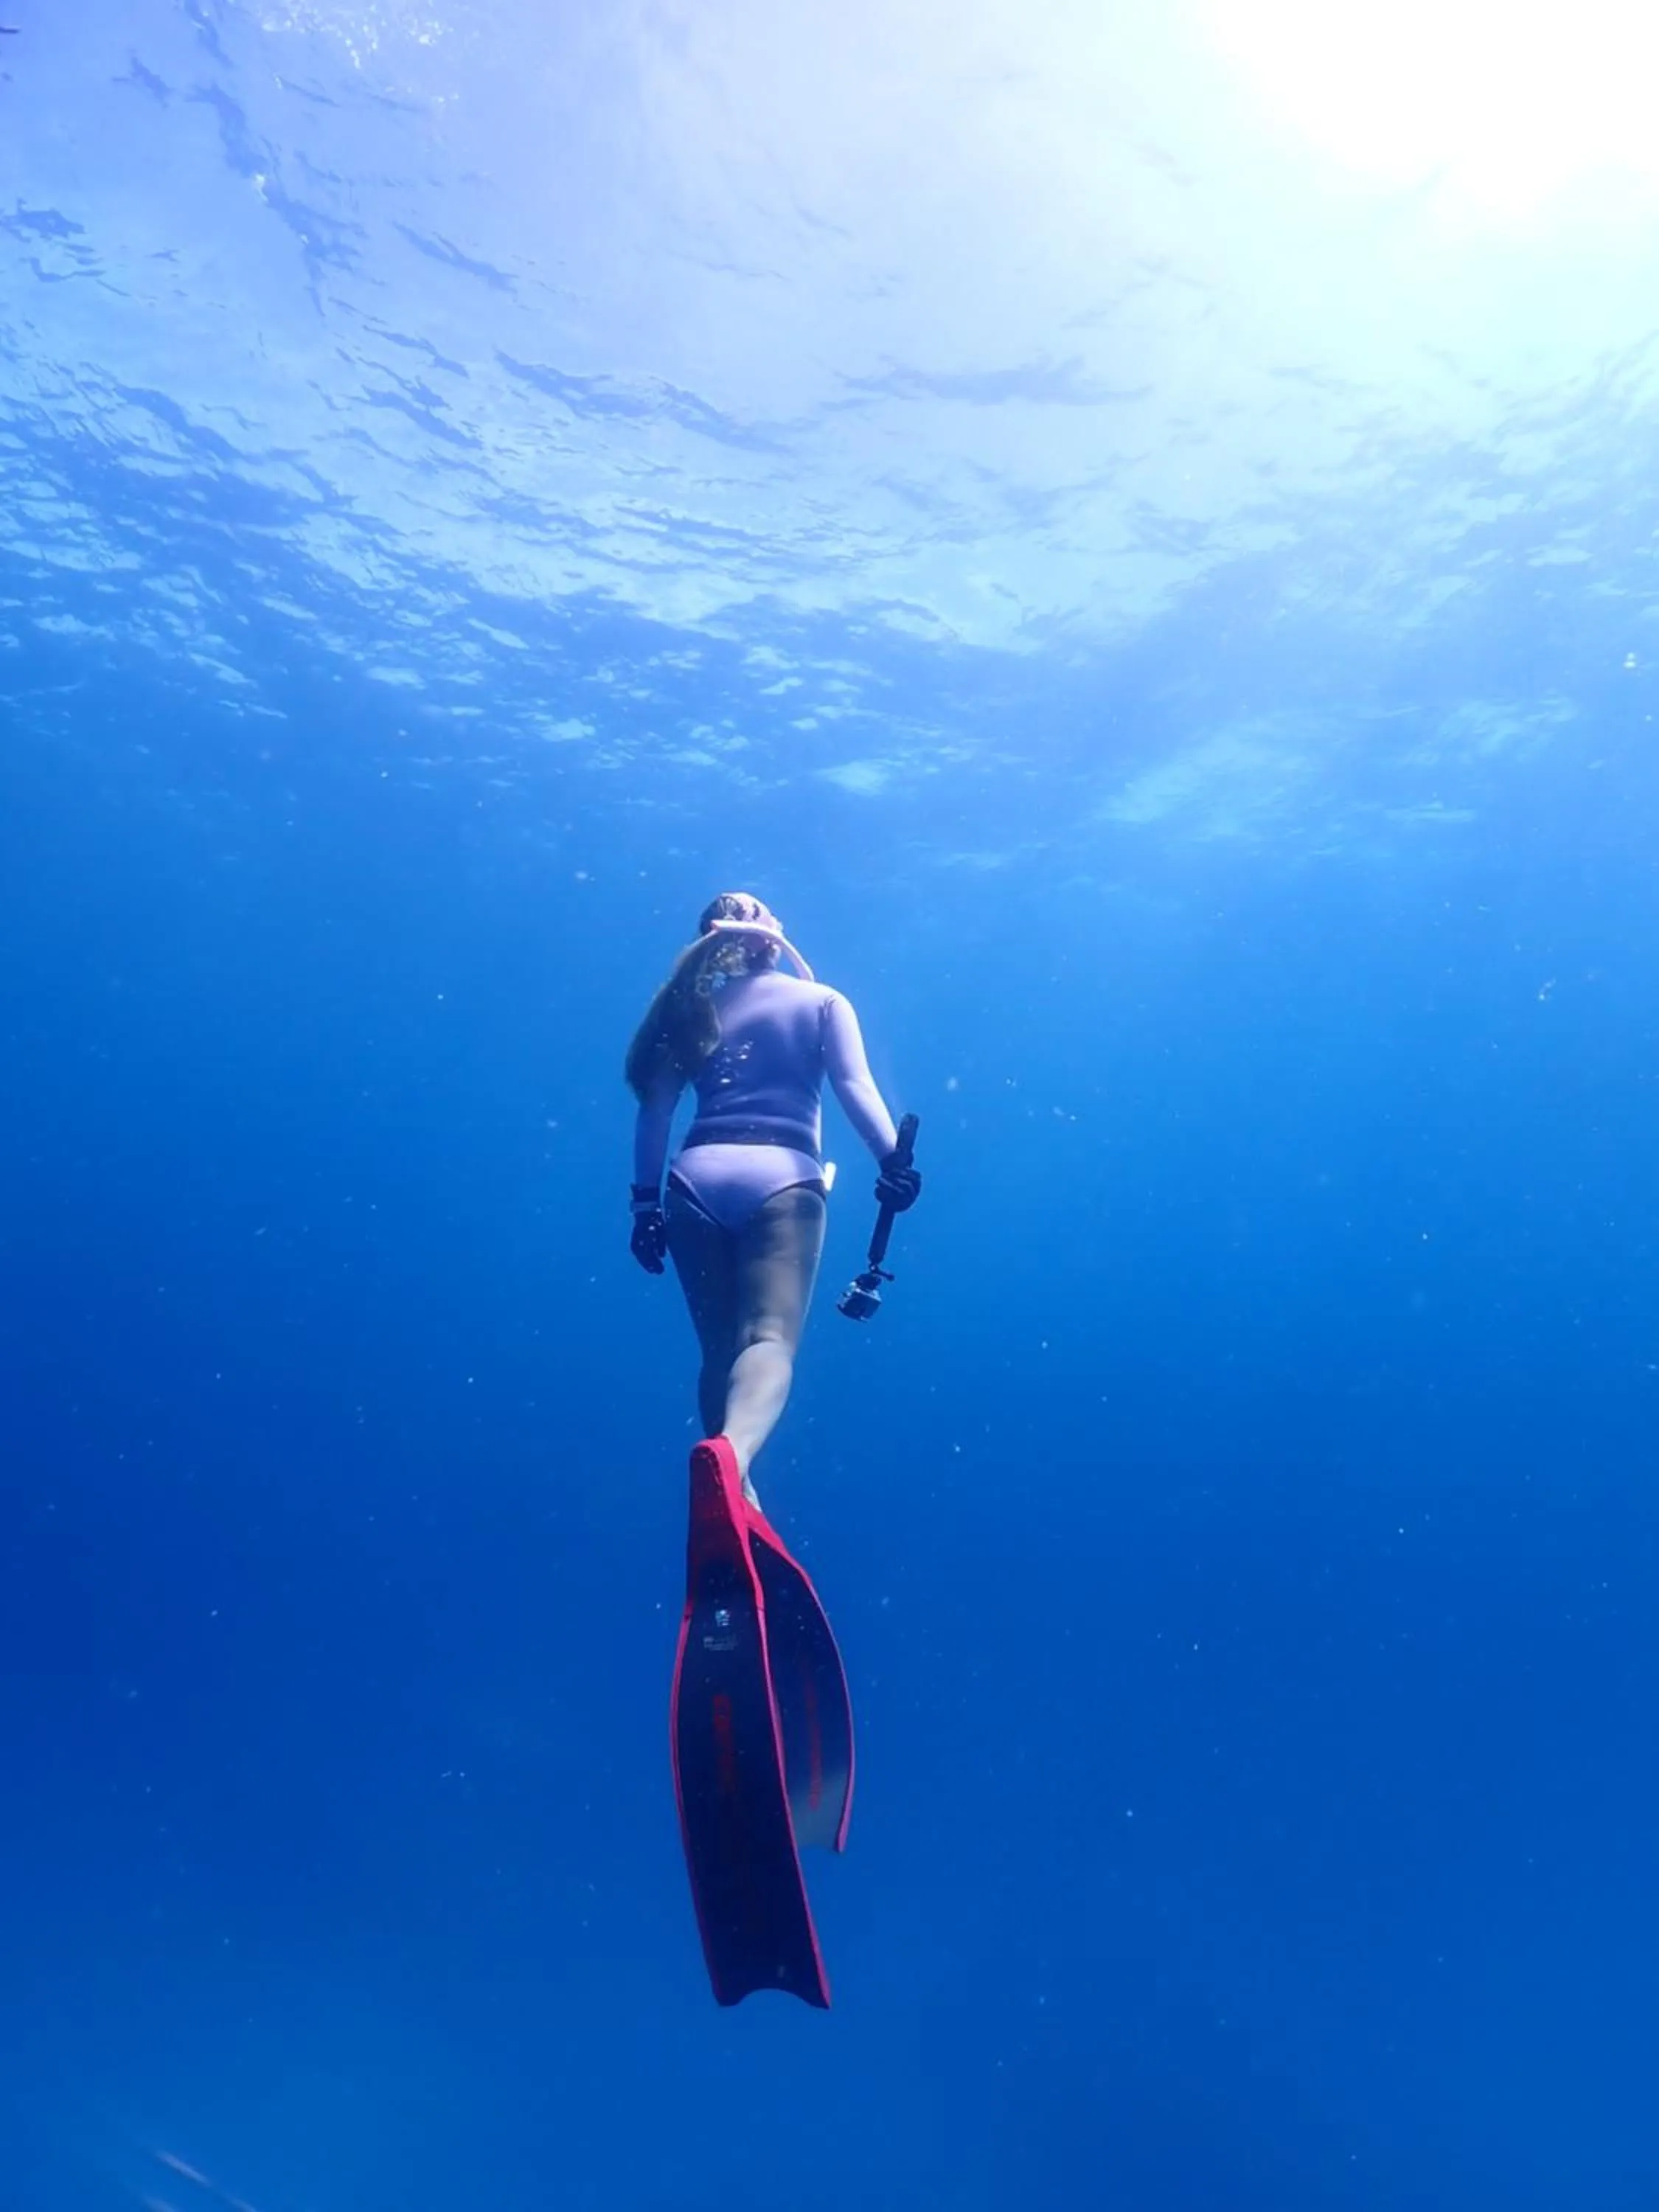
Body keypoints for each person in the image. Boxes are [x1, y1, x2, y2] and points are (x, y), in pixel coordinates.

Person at [626, 892, 919, 1506]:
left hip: (694, 1181)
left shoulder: (689, 1011)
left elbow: (656, 1113)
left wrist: (645, 1207)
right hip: (783, 1177)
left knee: (719, 1353)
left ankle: (738, 1492)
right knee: (768, 1341)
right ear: (770, 934)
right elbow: (855, 1087)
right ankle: (733, 1458)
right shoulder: (823, 1001)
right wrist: (894, 1162)